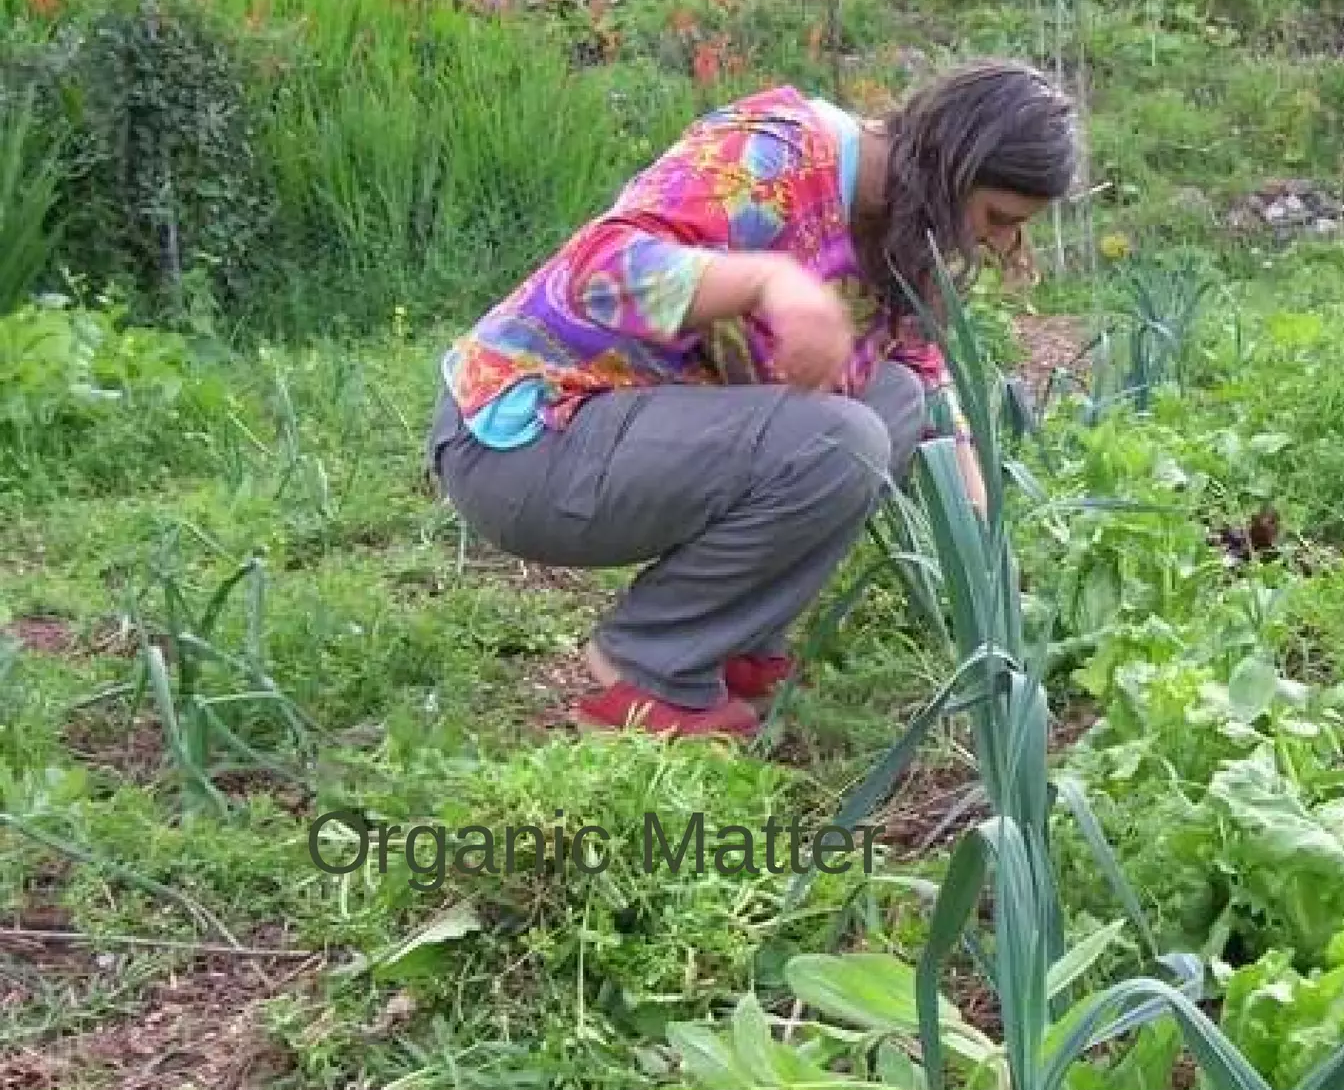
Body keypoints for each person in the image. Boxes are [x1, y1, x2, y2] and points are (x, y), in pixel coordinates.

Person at [426, 60, 1079, 741]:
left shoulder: (900, 226)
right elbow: (597, 269)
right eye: (996, 216)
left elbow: (919, 361)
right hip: (526, 439)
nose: (1000, 244)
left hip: (635, 439)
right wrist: (764, 280)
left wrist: (984, 536)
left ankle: (729, 637)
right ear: (953, 169)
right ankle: (646, 666)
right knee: (842, 440)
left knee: (895, 398)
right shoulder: (777, 153)